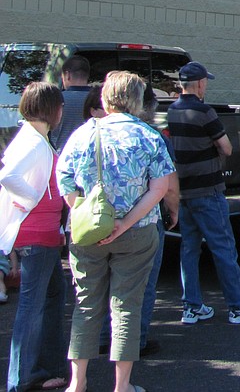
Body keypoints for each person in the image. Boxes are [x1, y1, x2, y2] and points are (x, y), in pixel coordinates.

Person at [57, 71, 175, 392]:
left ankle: (77, 382)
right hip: (138, 232)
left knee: (86, 305)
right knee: (126, 306)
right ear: (137, 99)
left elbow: (64, 179)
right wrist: (125, 222)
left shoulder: (82, 134)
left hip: (88, 232)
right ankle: (122, 385)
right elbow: (160, 187)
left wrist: (86, 214)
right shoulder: (148, 136)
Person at [168, 62, 240, 326]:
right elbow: (226, 148)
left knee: (189, 248)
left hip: (185, 191)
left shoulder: (172, 110)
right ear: (200, 83)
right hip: (208, 190)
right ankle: (239, 306)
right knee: (224, 248)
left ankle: (191, 306)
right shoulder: (205, 111)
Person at [1, 82, 69, 392]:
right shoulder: (33, 141)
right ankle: (23, 378)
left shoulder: (32, 137)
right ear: (52, 109)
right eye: (60, 105)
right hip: (36, 236)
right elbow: (7, 176)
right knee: (32, 304)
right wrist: (32, 199)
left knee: (51, 296)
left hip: (41, 235)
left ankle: (40, 370)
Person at [50, 55, 91, 152]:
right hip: (92, 156)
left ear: (67, 75)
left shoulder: (56, 99)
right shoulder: (100, 100)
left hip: (62, 155)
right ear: (87, 75)